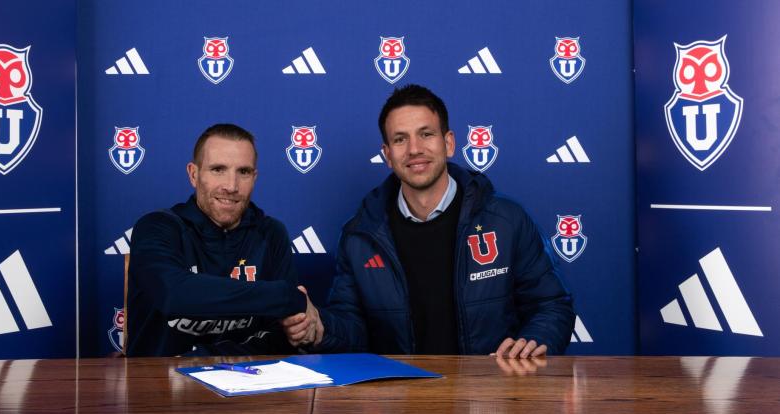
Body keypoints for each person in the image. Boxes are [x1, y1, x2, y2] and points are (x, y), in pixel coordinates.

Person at [283, 85, 575, 357]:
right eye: (400, 139)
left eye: (426, 134)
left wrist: (534, 342)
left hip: (491, 397)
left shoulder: (507, 220)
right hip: (402, 401)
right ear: (387, 155)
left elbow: (551, 306)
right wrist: (319, 327)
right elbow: (353, 330)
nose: (414, 149)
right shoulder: (360, 235)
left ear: (448, 143)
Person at [126, 123, 319, 357]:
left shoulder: (271, 233)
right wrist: (285, 295)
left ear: (254, 178)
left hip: (249, 382)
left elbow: (282, 335)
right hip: (159, 384)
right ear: (194, 174)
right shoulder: (157, 227)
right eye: (218, 169)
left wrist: (204, 360)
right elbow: (173, 294)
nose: (231, 186)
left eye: (244, 172)